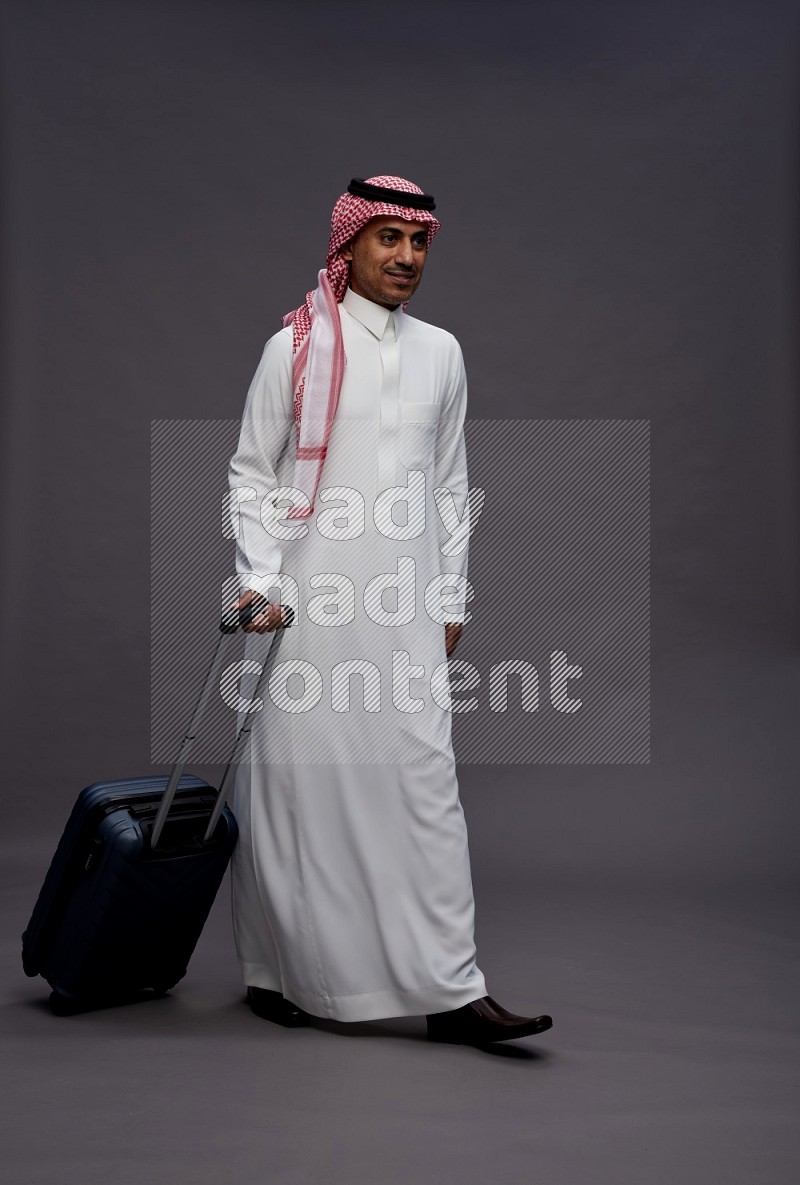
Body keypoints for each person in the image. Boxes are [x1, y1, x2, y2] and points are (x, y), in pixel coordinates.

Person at [226, 175, 552, 1046]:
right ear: (349, 245)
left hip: (403, 607)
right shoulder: (290, 348)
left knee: (421, 784)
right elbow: (253, 473)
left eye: (420, 243)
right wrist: (260, 581)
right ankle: (280, 972)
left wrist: (452, 590)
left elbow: (450, 484)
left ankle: (453, 988)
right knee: (302, 796)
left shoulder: (443, 351)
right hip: (307, 604)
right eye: (389, 239)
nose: (407, 258)